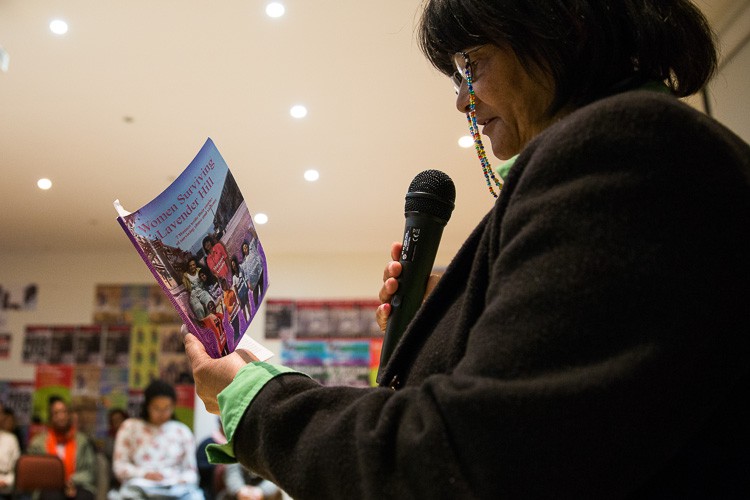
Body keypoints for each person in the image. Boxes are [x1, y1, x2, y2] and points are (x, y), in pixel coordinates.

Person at [183, 1, 750, 498]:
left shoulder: (622, 147)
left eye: (470, 65)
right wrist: (458, 312)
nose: (462, 101)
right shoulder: (649, 153)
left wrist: (255, 401)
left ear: (562, 27)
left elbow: (460, 462)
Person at [110, 380, 203, 500]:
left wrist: (178, 480)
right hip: (140, 487)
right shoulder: (130, 427)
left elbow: (192, 473)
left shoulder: (182, 431)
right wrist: (145, 474)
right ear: (147, 406)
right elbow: (120, 466)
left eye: (167, 408)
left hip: (175, 489)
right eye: (157, 408)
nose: (162, 413)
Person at [28, 396, 97, 500]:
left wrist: (71, 481)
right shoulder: (38, 443)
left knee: (83, 497)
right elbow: (34, 473)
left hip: (79, 485)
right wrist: (60, 482)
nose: (61, 416)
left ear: (69, 415)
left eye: (64, 412)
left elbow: (89, 472)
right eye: (56, 413)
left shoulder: (82, 441)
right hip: (48, 486)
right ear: (50, 418)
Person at [103, 408, 129, 491]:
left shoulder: (135, 437)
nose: (118, 423)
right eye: (114, 421)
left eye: (119, 419)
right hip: (114, 477)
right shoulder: (110, 440)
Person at [0, 403, 20, 500]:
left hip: (6, 488)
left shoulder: (11, 439)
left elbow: (18, 469)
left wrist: (7, 481)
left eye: (0, 413)